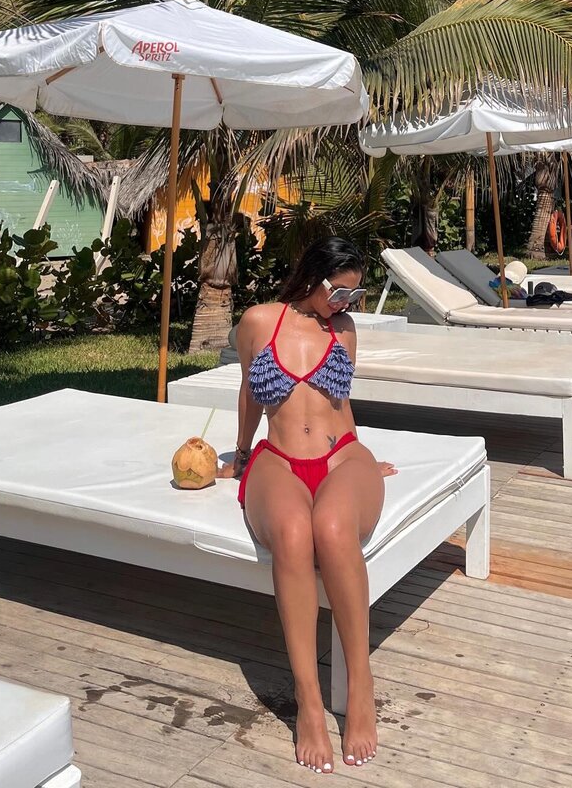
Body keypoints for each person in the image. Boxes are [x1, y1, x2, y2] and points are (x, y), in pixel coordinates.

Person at [219, 237, 396, 774]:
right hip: (278, 457)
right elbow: (250, 394)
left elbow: (341, 405)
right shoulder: (258, 321)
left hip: (342, 455)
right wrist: (241, 456)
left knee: (334, 527)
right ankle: (309, 701)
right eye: (340, 292)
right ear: (313, 278)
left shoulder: (344, 330)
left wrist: (365, 462)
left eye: (355, 294)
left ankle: (360, 686)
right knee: (295, 533)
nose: (347, 303)